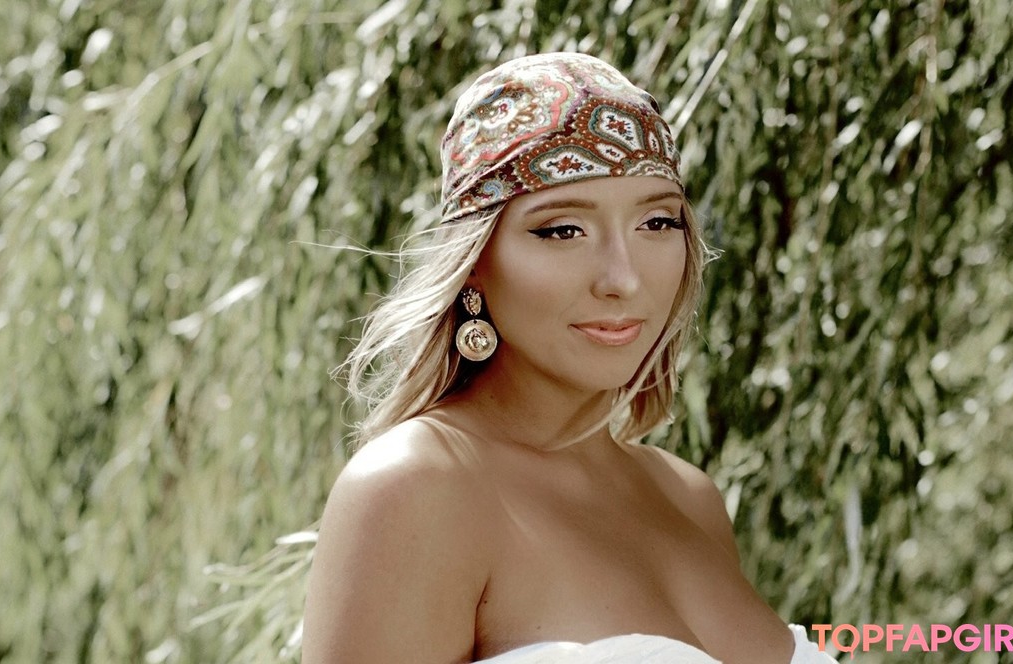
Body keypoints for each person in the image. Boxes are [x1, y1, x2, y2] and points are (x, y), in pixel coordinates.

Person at [302, 52, 837, 663]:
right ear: (474, 262)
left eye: (657, 222)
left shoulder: (690, 498)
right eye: (562, 230)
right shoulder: (415, 487)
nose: (623, 279)